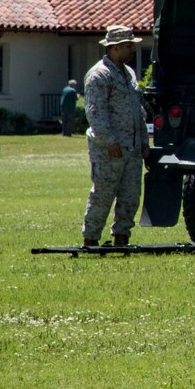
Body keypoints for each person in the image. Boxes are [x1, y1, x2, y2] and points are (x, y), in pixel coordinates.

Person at [81, 25, 149, 248]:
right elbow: (95, 112)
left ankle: (122, 237)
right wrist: (108, 140)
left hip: (132, 147)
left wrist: (144, 141)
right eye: (128, 46)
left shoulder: (128, 73)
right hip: (109, 149)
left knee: (130, 196)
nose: (132, 50)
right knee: (103, 194)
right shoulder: (99, 75)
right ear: (115, 48)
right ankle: (91, 239)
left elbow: (137, 109)